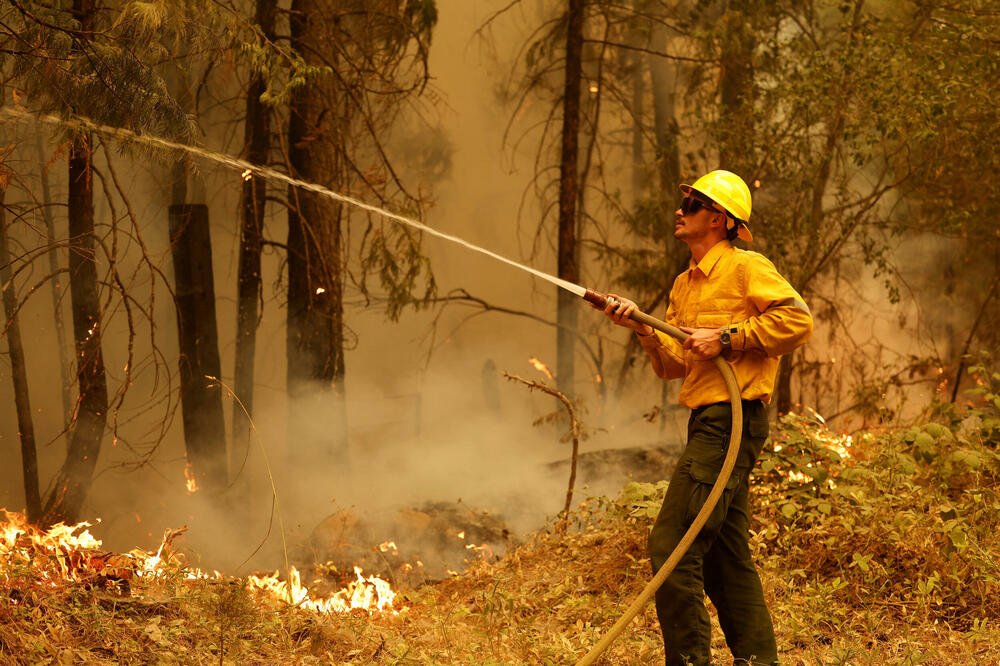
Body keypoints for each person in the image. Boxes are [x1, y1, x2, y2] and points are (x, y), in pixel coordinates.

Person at [598, 170, 813, 665]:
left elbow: (798, 320)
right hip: (708, 421)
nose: (681, 209)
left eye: (692, 204)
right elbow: (675, 365)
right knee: (725, 558)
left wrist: (728, 338)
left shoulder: (746, 267)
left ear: (718, 219)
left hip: (732, 423)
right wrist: (643, 330)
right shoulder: (683, 283)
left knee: (672, 547)